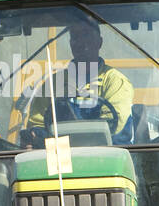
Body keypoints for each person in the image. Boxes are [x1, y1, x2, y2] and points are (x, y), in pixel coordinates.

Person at [24, 13, 133, 142]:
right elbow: (37, 124)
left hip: (105, 156)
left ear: (99, 42)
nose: (81, 42)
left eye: (86, 35)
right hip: (60, 157)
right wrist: (38, 137)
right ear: (71, 43)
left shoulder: (115, 81)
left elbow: (115, 126)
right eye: (75, 37)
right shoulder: (53, 83)